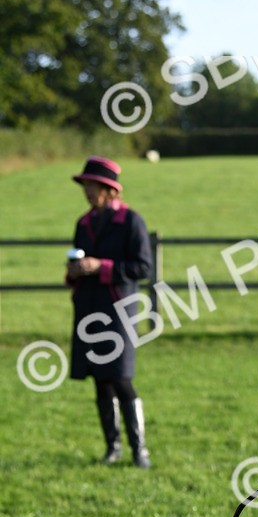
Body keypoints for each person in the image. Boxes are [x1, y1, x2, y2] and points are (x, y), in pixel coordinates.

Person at [66, 156, 152, 468]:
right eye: (85, 185)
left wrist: (99, 266)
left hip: (119, 313)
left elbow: (143, 267)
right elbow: (74, 264)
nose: (87, 191)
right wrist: (74, 271)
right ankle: (112, 448)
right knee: (100, 380)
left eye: (93, 185)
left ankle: (139, 450)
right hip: (89, 309)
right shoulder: (83, 223)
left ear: (109, 190)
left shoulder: (131, 221)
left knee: (121, 378)